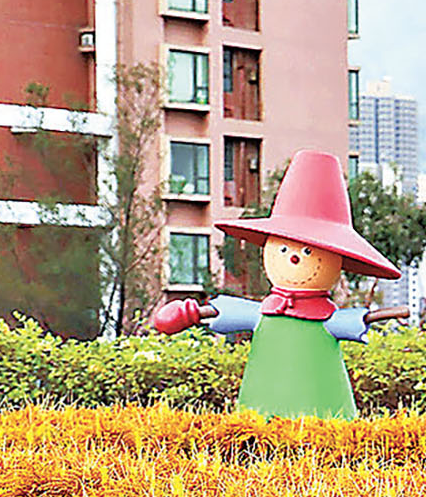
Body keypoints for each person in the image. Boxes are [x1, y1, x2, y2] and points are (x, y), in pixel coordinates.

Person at [147, 148, 410, 418]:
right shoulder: (262, 313)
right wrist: (190, 313)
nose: (295, 258)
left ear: (337, 258)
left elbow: (356, 320)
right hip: (259, 409)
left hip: (322, 411)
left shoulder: (324, 321)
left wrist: (386, 314)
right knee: (257, 426)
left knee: (324, 426)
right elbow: (223, 311)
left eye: (309, 252)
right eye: (284, 249)